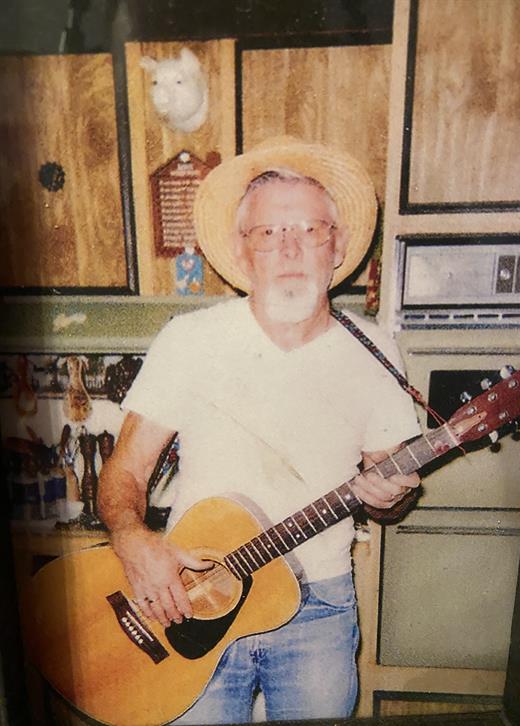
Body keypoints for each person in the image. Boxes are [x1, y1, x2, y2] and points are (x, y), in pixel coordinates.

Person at [97, 137, 422, 724]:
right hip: (189, 599)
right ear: (243, 253)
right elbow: (125, 471)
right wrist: (132, 538)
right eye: (268, 233)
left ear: (338, 246)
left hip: (318, 609)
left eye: (309, 230)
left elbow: (388, 494)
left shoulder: (375, 351)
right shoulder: (190, 342)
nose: (290, 248)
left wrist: (392, 494)